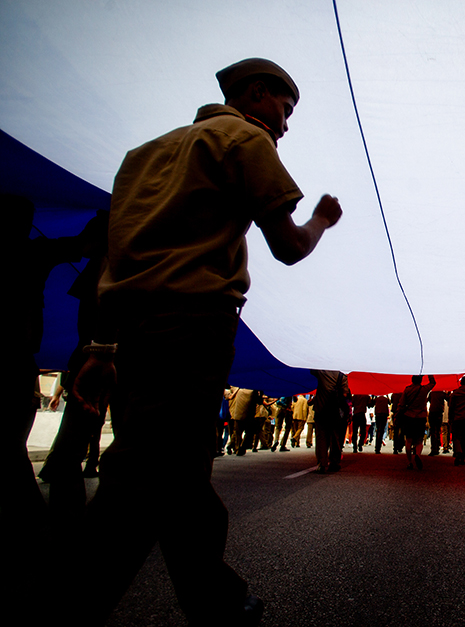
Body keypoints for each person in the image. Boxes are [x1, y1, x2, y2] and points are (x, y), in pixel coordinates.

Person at [70, 58, 342, 626]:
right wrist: (321, 218)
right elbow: (289, 247)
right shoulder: (245, 140)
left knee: (173, 466)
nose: (285, 124)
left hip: (131, 329)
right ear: (257, 93)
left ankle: (217, 601)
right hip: (192, 326)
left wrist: (101, 347)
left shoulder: (143, 155)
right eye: (285, 109)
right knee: (144, 476)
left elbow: (117, 257)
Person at [396, 375, 437, 470]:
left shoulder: (407, 390)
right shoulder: (424, 389)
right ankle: (417, 454)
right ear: (421, 380)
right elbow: (433, 383)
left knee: (409, 440)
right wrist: (429, 374)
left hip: (409, 416)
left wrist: (398, 414)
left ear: (412, 380)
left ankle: (409, 462)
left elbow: (402, 404)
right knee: (419, 440)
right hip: (421, 417)